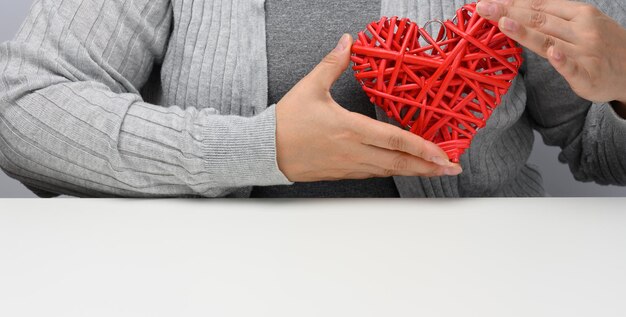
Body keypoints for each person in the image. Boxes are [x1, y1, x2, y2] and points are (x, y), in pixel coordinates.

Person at [0, 0, 624, 198]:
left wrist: (625, 85)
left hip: (485, 286)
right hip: (203, 285)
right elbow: (22, 112)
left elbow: (598, 146)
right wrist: (256, 150)